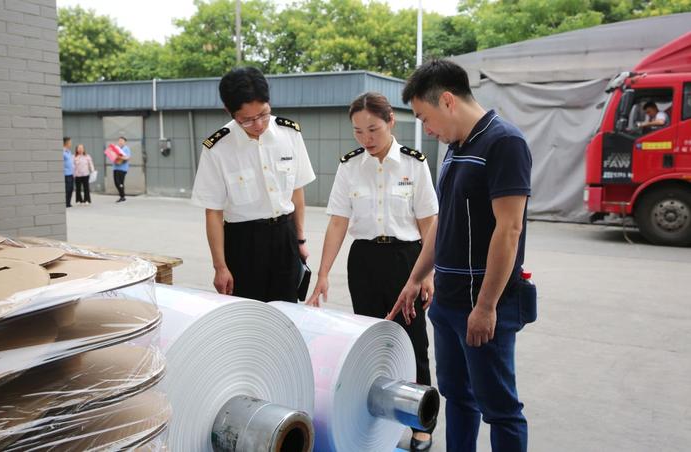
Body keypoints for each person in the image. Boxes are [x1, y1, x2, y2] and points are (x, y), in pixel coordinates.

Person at [388, 59, 533, 452]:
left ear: (447, 100)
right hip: (448, 302)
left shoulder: (504, 142)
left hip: (483, 304)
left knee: (500, 407)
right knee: (458, 396)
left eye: (425, 117)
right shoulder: (455, 148)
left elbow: (510, 229)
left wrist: (486, 306)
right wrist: (416, 277)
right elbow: (444, 221)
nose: (427, 129)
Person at [306, 92, 439, 451]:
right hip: (363, 259)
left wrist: (427, 273)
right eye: (358, 131)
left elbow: (429, 222)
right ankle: (376, 413)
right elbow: (337, 223)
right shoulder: (350, 167)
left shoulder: (414, 164)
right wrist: (322, 274)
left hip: (406, 259)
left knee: (413, 339)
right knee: (369, 341)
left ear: (391, 121)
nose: (366, 138)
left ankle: (420, 421)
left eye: (373, 129)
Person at [191, 66, 315, 302]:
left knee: (288, 312)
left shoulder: (290, 134)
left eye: (264, 114)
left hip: (284, 237)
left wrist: (300, 240)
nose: (259, 124)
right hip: (243, 243)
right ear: (230, 111)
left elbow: (296, 191)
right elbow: (213, 212)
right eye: (247, 120)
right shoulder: (217, 148)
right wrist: (220, 266)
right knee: (248, 317)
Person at [113, 136, 131, 202]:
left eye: (122, 141)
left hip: (122, 169)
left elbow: (127, 158)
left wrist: (120, 157)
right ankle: (122, 195)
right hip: (115, 167)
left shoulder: (126, 149)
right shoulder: (116, 148)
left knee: (120, 182)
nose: (120, 142)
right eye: (119, 140)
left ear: (124, 142)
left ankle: (122, 196)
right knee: (116, 182)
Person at [62, 137, 74, 208]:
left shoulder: (69, 151)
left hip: (71, 173)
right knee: (67, 189)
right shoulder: (62, 152)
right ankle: (66, 203)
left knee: (71, 188)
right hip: (66, 174)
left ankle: (68, 203)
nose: (71, 143)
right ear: (66, 143)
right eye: (70, 142)